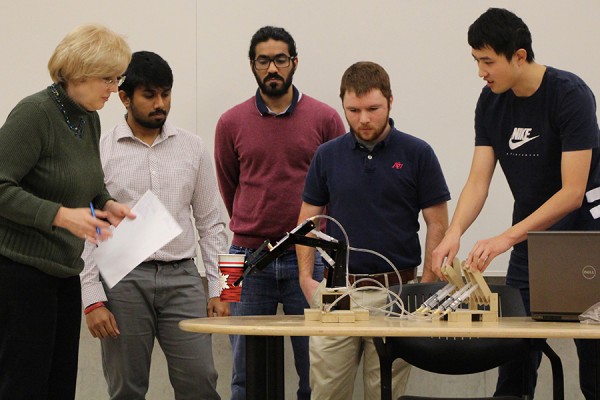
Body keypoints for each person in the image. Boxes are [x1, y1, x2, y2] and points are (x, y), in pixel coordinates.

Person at [431, 8, 600, 399]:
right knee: (515, 360)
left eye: (487, 61)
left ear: (519, 56)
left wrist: (505, 238)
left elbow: (572, 192)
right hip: (529, 242)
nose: (481, 72)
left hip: (582, 239)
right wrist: (454, 232)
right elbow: (478, 181)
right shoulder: (491, 103)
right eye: (476, 61)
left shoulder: (569, 94)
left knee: (593, 361)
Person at [297, 61, 450, 400]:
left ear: (390, 102)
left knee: (385, 394)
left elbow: (438, 222)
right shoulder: (327, 156)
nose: (363, 119)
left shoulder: (418, 153)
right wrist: (306, 278)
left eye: (372, 109)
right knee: (325, 393)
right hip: (338, 293)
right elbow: (307, 221)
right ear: (343, 106)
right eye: (353, 110)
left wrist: (425, 284)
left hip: (397, 292)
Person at [80, 51, 227, 400]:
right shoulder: (100, 150)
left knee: (201, 381)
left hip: (183, 278)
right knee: (126, 388)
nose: (160, 103)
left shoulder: (192, 147)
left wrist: (225, 289)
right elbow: (86, 228)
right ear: (124, 97)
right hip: (123, 280)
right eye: (150, 95)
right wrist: (92, 299)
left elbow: (213, 223)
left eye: (166, 93)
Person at [0, 24, 132, 400]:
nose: (113, 88)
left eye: (116, 78)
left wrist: (106, 204)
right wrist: (60, 215)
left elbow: (88, 182)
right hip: (20, 274)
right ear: (78, 72)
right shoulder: (34, 113)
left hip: (62, 272)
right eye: (108, 78)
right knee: (23, 385)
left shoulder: (86, 116)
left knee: (59, 386)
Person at [214, 26, 346, 400]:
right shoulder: (230, 122)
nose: (272, 68)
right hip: (239, 257)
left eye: (280, 60)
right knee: (242, 369)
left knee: (317, 367)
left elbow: (334, 190)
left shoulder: (324, 118)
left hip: (309, 258)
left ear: (294, 63)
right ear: (252, 66)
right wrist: (253, 222)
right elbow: (230, 187)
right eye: (263, 60)